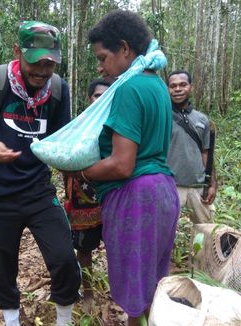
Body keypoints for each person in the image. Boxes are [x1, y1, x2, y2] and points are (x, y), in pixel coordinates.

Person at [0, 21, 81, 326]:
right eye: (35, 62)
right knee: (2, 264)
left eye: (49, 64)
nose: (42, 72)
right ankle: (12, 321)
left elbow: (60, 140)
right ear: (17, 51)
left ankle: (64, 320)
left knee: (65, 258)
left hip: (39, 191)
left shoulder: (58, 90)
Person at [68, 10, 180, 326]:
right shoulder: (156, 84)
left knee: (134, 288)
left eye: (103, 57)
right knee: (151, 282)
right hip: (163, 191)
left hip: (137, 197)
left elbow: (121, 165)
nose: (100, 66)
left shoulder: (128, 89)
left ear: (125, 49)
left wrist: (83, 173)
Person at [64, 78, 111, 312]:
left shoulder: (118, 123)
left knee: (119, 246)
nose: (100, 100)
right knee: (84, 250)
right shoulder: (78, 125)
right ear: (89, 98)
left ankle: (120, 291)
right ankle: (89, 294)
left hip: (113, 196)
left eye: (105, 95)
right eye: (96, 96)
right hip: (83, 200)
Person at [166, 70, 217, 224]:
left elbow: (206, 153)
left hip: (198, 185)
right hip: (170, 185)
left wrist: (212, 184)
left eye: (183, 84)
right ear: (168, 89)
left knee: (205, 229)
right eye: (173, 86)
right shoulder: (162, 116)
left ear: (191, 87)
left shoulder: (202, 119)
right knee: (165, 231)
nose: (178, 89)